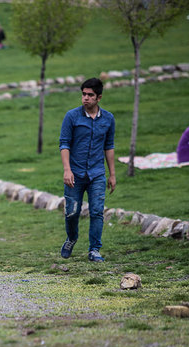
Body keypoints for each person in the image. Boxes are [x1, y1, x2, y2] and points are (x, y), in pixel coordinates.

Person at [59, 77, 116, 263]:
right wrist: (67, 170)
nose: (85, 98)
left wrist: (112, 174)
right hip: (74, 173)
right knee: (72, 212)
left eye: (90, 95)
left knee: (97, 211)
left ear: (99, 97)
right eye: (83, 94)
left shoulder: (108, 119)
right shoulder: (72, 116)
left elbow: (109, 146)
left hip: (97, 173)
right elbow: (64, 144)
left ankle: (94, 250)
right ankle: (72, 238)